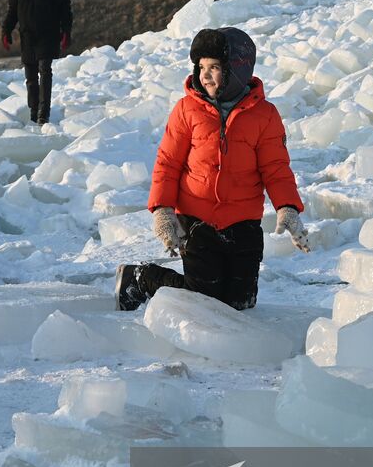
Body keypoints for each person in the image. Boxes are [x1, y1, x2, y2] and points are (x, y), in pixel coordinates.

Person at [115, 26, 310, 312]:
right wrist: (163, 210)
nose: (205, 75)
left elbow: (276, 167)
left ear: (237, 69)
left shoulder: (265, 115)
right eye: (201, 66)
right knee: (203, 300)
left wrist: (288, 207)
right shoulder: (186, 109)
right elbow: (168, 162)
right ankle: (142, 278)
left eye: (215, 67)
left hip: (244, 221)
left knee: (240, 303)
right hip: (198, 218)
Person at [1, 0, 72, 125]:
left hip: (48, 33)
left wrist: (66, 30)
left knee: (45, 71)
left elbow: (64, 6)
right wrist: (6, 30)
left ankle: (44, 113)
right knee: (30, 77)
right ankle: (34, 111)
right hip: (27, 35)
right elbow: (13, 9)